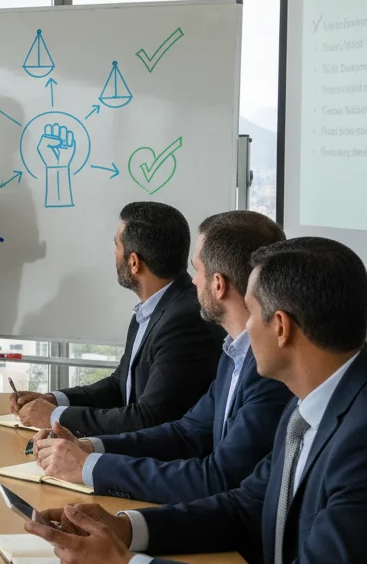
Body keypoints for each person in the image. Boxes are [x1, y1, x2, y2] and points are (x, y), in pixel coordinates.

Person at [23, 237, 367, 564]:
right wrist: (127, 528)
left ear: (281, 327)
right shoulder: (314, 399)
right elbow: (246, 505)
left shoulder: (358, 436)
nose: (243, 329)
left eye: (252, 308)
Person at [32, 211, 291, 502]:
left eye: (198, 271)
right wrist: (89, 449)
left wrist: (88, 466)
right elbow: (187, 432)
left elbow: (220, 477)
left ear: (218, 284)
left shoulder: (268, 368)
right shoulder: (235, 352)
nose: (193, 283)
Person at [11, 201, 222, 436]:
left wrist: (53, 417)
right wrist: (54, 400)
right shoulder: (153, 308)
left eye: (116, 245)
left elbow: (148, 418)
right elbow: (120, 384)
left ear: (134, 262)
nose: (113, 252)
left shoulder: (184, 321)